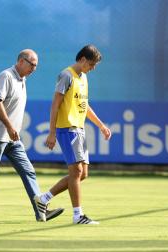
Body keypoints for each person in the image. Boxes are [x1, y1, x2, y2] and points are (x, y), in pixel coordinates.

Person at [0, 49, 63, 222]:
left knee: (28, 171)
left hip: (12, 138)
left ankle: (41, 212)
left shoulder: (22, 79)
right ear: (21, 61)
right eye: (32, 64)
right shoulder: (6, 76)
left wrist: (12, 129)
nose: (34, 68)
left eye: (37, 65)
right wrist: (9, 126)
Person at [38, 45, 112, 225]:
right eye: (92, 64)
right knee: (76, 171)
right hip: (67, 129)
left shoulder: (84, 78)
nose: (93, 68)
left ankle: (43, 199)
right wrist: (52, 132)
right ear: (83, 60)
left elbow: (84, 106)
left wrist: (101, 125)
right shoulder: (66, 75)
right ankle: (78, 215)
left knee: (82, 174)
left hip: (79, 129)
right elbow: (55, 105)